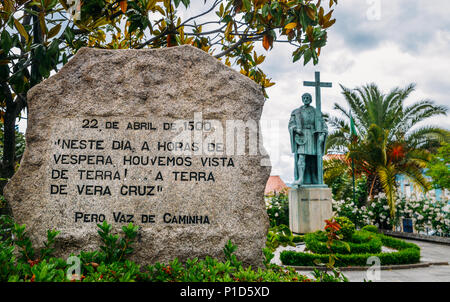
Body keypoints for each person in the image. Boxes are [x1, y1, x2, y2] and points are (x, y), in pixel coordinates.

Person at [288, 93, 327, 186]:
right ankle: (300, 178)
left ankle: (315, 179)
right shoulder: (296, 112)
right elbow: (291, 124)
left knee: (313, 159)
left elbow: (324, 125)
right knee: (301, 156)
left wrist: (322, 134)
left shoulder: (316, 112)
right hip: (302, 137)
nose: (306, 99)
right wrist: (295, 129)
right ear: (302, 99)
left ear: (311, 99)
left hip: (314, 137)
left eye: (308, 98)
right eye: (304, 98)